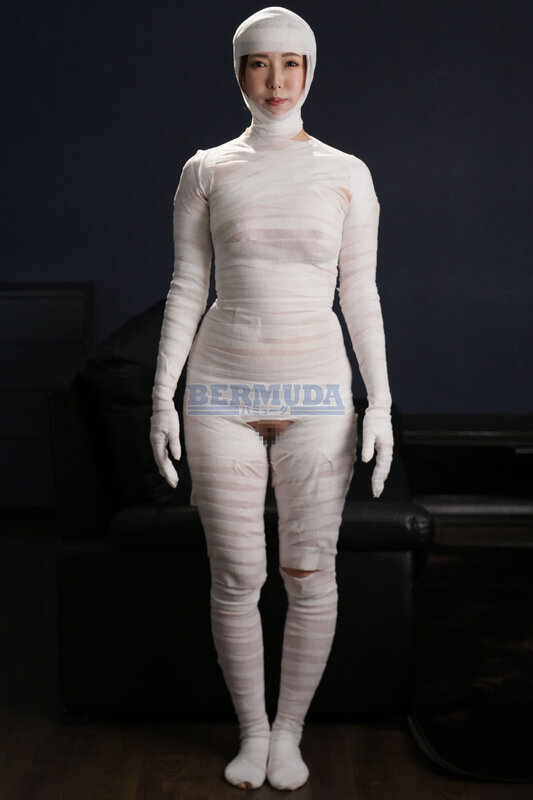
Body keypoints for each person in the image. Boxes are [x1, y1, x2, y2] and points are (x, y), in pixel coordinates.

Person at [150, 5, 394, 791]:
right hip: (219, 393)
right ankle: (251, 732)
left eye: (291, 63)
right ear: (238, 72)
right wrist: (161, 401)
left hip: (319, 398)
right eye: (259, 63)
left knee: (307, 568)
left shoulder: (346, 172)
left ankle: (288, 732)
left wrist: (380, 404)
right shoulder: (206, 169)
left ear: (310, 70)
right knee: (234, 574)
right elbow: (187, 286)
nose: (276, 79)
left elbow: (360, 294)